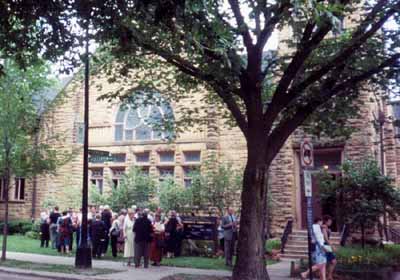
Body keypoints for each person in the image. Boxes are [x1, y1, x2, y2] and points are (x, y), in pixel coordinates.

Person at [322, 215, 337, 280]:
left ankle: (328, 276)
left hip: (327, 246)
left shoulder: (327, 228)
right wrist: (332, 246)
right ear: (326, 221)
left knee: (331, 262)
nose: (331, 222)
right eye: (330, 221)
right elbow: (326, 239)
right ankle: (328, 276)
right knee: (332, 261)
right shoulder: (324, 228)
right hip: (325, 246)